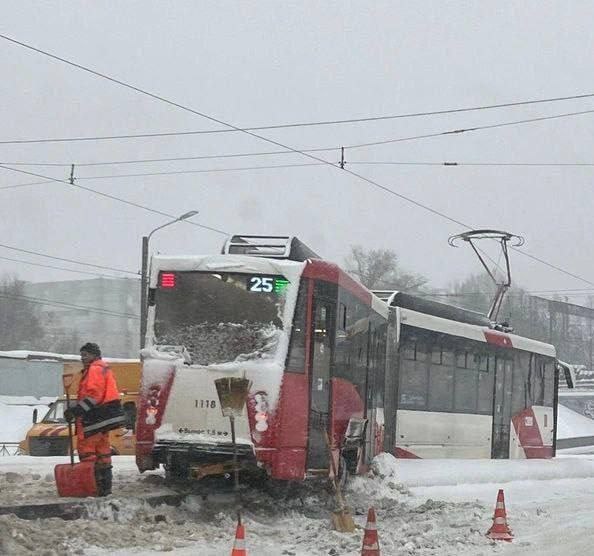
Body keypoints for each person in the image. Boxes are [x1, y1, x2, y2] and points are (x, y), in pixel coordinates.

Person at [64, 342, 125, 496]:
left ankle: (90, 485)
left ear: (95, 355)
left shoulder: (95, 369)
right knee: (103, 453)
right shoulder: (102, 368)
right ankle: (104, 487)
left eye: (86, 355)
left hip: (94, 418)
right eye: (81, 355)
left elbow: (94, 396)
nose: (82, 358)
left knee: (87, 452)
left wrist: (76, 411)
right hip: (104, 419)